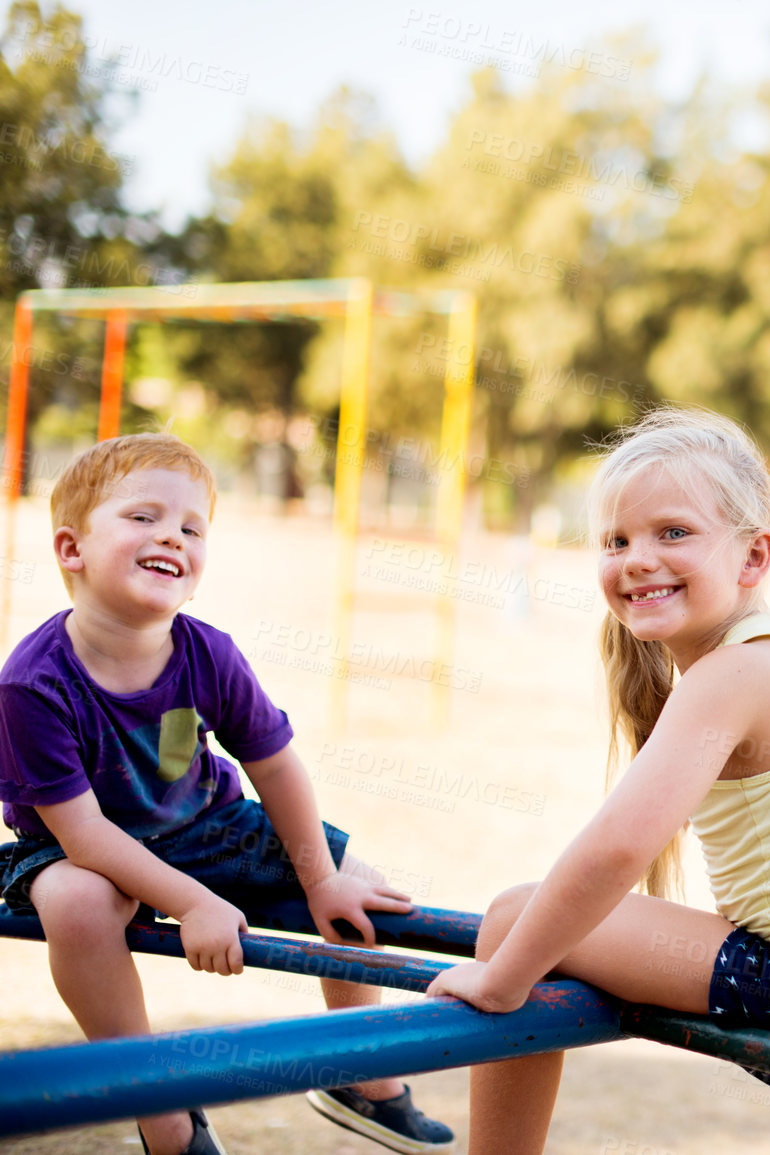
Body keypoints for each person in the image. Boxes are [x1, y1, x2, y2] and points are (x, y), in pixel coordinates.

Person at [428, 408, 770, 1155]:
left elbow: (617, 848)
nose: (636, 558)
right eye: (616, 540)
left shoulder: (730, 676)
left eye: (673, 532)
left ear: (753, 557)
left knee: (507, 922)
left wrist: (501, 980)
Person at [0, 434, 454, 1155]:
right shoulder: (33, 682)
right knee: (80, 903)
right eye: (144, 516)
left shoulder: (208, 652)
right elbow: (83, 835)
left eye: (191, 527)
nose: (171, 536)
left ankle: (358, 1073)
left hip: (207, 825)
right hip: (77, 844)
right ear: (71, 548)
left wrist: (323, 878)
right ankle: (156, 1102)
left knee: (355, 886)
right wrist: (193, 902)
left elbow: (275, 767)